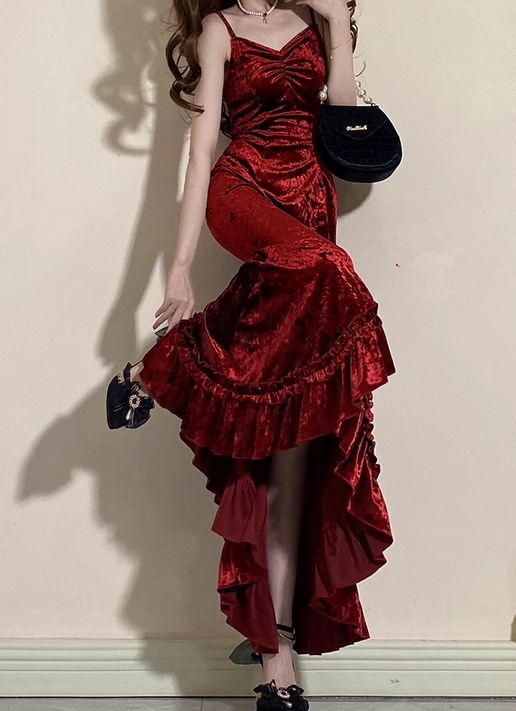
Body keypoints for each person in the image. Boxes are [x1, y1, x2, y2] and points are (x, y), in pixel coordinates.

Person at [105, 0, 396, 707]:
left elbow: (345, 124)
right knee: (328, 270)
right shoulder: (220, 29)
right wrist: (178, 270)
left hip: (311, 197)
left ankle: (278, 658)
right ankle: (159, 366)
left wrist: (334, 24)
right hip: (245, 187)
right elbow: (201, 150)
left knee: (290, 457)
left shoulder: (313, 17)